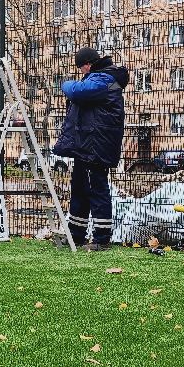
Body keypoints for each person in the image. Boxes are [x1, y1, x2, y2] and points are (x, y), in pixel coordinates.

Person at [53, 45, 129, 250]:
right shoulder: (103, 78)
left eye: (81, 68)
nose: (81, 73)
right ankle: (76, 234)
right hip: (88, 144)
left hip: (96, 145)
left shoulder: (103, 78)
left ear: (87, 64)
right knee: (80, 188)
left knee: (97, 190)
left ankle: (102, 239)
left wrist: (66, 84)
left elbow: (78, 91)